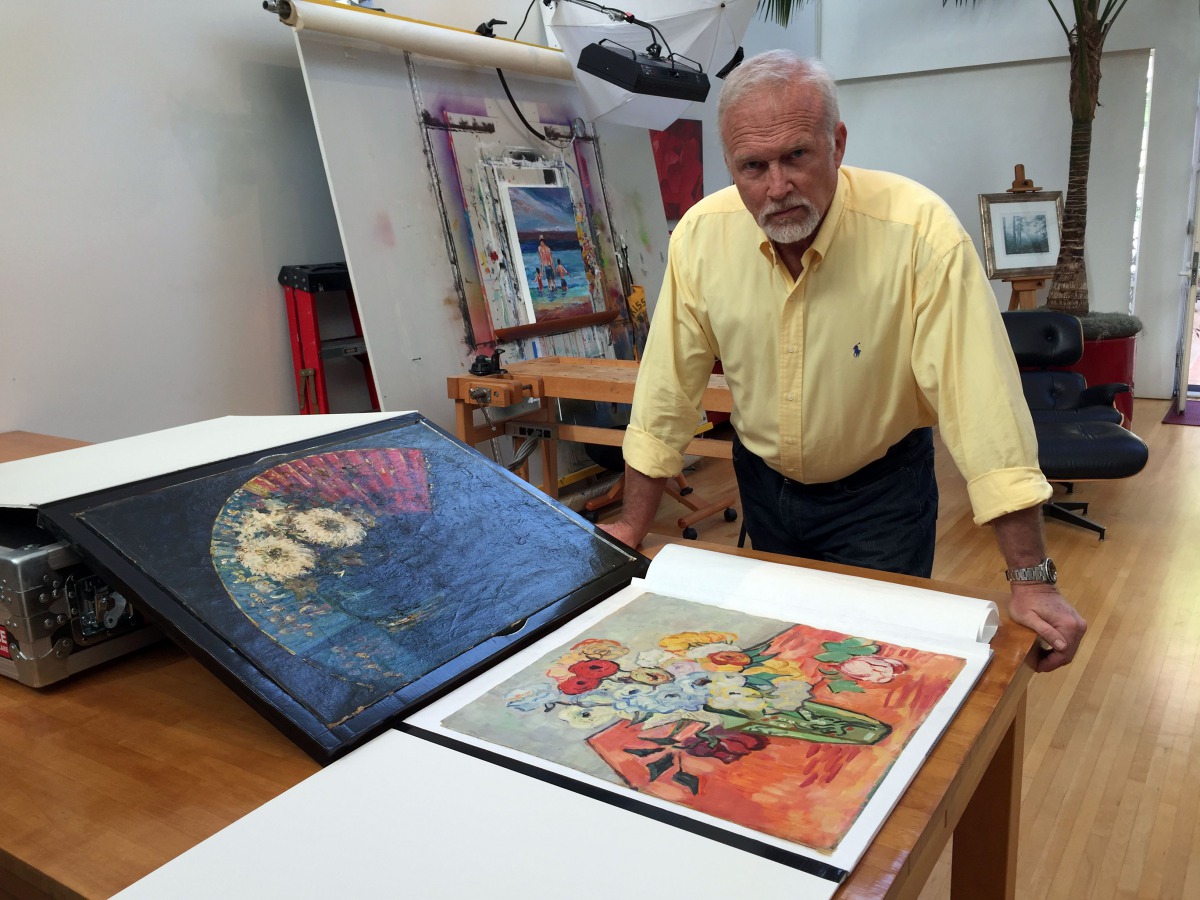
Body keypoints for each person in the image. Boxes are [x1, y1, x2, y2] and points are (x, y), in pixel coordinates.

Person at [600, 51, 1085, 673]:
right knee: (777, 659)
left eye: (796, 156)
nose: (777, 187)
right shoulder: (701, 235)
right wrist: (630, 528)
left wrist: (1033, 578)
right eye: (754, 166)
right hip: (765, 488)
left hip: (881, 495)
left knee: (869, 667)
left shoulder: (920, 234)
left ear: (838, 143)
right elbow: (666, 390)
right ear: (731, 165)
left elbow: (984, 409)